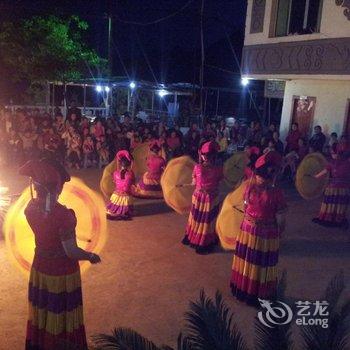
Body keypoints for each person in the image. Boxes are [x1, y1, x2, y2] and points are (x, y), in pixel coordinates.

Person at [19, 158, 101, 349]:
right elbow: (71, 252)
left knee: (44, 309)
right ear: (57, 187)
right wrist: (90, 256)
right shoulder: (63, 216)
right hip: (61, 271)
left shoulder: (30, 209)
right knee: (60, 311)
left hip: (40, 265)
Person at [230, 151, 287, 306]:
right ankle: (258, 292)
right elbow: (280, 218)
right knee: (260, 262)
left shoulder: (248, 188)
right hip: (265, 232)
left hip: (248, 229)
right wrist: (279, 232)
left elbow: (246, 206)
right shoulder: (277, 193)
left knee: (248, 259)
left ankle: (243, 288)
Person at [181, 141, 223, 254]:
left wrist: (189, 184)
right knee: (208, 220)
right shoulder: (219, 169)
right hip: (211, 199)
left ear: (202, 155)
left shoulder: (197, 168)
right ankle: (205, 239)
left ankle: (193, 236)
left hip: (199, 197)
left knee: (197, 218)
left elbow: (194, 182)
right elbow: (219, 182)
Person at [312, 144, 350, 230]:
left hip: (342, 188)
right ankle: (329, 218)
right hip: (333, 187)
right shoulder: (332, 162)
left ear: (339, 153)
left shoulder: (347, 163)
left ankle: (338, 219)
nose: (332, 155)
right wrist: (316, 176)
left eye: (333, 153)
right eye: (332, 153)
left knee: (339, 205)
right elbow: (325, 171)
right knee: (330, 203)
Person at [106, 150, 135, 220]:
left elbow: (115, 181)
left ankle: (117, 210)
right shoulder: (131, 173)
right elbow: (132, 183)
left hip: (116, 196)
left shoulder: (115, 173)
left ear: (120, 164)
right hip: (126, 197)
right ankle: (125, 211)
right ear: (129, 164)